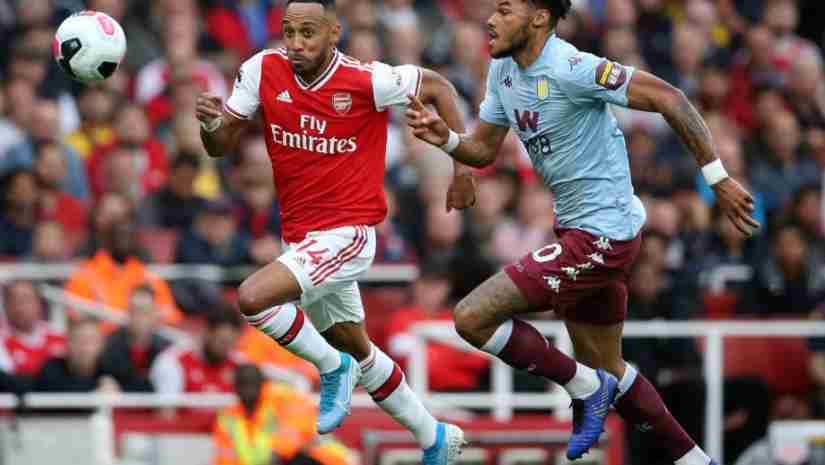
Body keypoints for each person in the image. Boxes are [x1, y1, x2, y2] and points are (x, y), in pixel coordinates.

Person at [405, 0, 759, 462]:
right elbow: (484, 149)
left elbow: (670, 98)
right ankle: (695, 460)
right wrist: (449, 140)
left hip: (602, 235)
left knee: (472, 318)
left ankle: (586, 388)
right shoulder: (504, 72)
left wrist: (718, 179)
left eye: (505, 10)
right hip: (576, 231)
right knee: (609, 366)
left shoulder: (573, 68)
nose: (490, 20)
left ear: (539, 17)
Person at [195, 1, 474, 462]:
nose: (296, 43)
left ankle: (330, 366)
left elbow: (441, 88)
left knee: (252, 299)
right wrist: (210, 123)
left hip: (349, 233)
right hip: (301, 239)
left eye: (308, 32)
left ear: (333, 33)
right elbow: (220, 145)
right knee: (359, 349)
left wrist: (462, 169)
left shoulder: (368, 80)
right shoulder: (262, 69)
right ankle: (435, 437)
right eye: (289, 32)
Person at [213, 364, 355, 465]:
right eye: (243, 384)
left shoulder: (283, 397)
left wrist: (277, 454)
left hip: (322, 459)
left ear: (263, 384)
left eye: (252, 383)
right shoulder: (227, 418)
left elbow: (291, 439)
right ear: (235, 388)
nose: (248, 390)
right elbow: (225, 458)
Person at [98, 285, 170, 392]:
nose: (138, 317)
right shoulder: (110, 346)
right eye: (133, 311)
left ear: (154, 314)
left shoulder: (166, 349)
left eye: (144, 312)